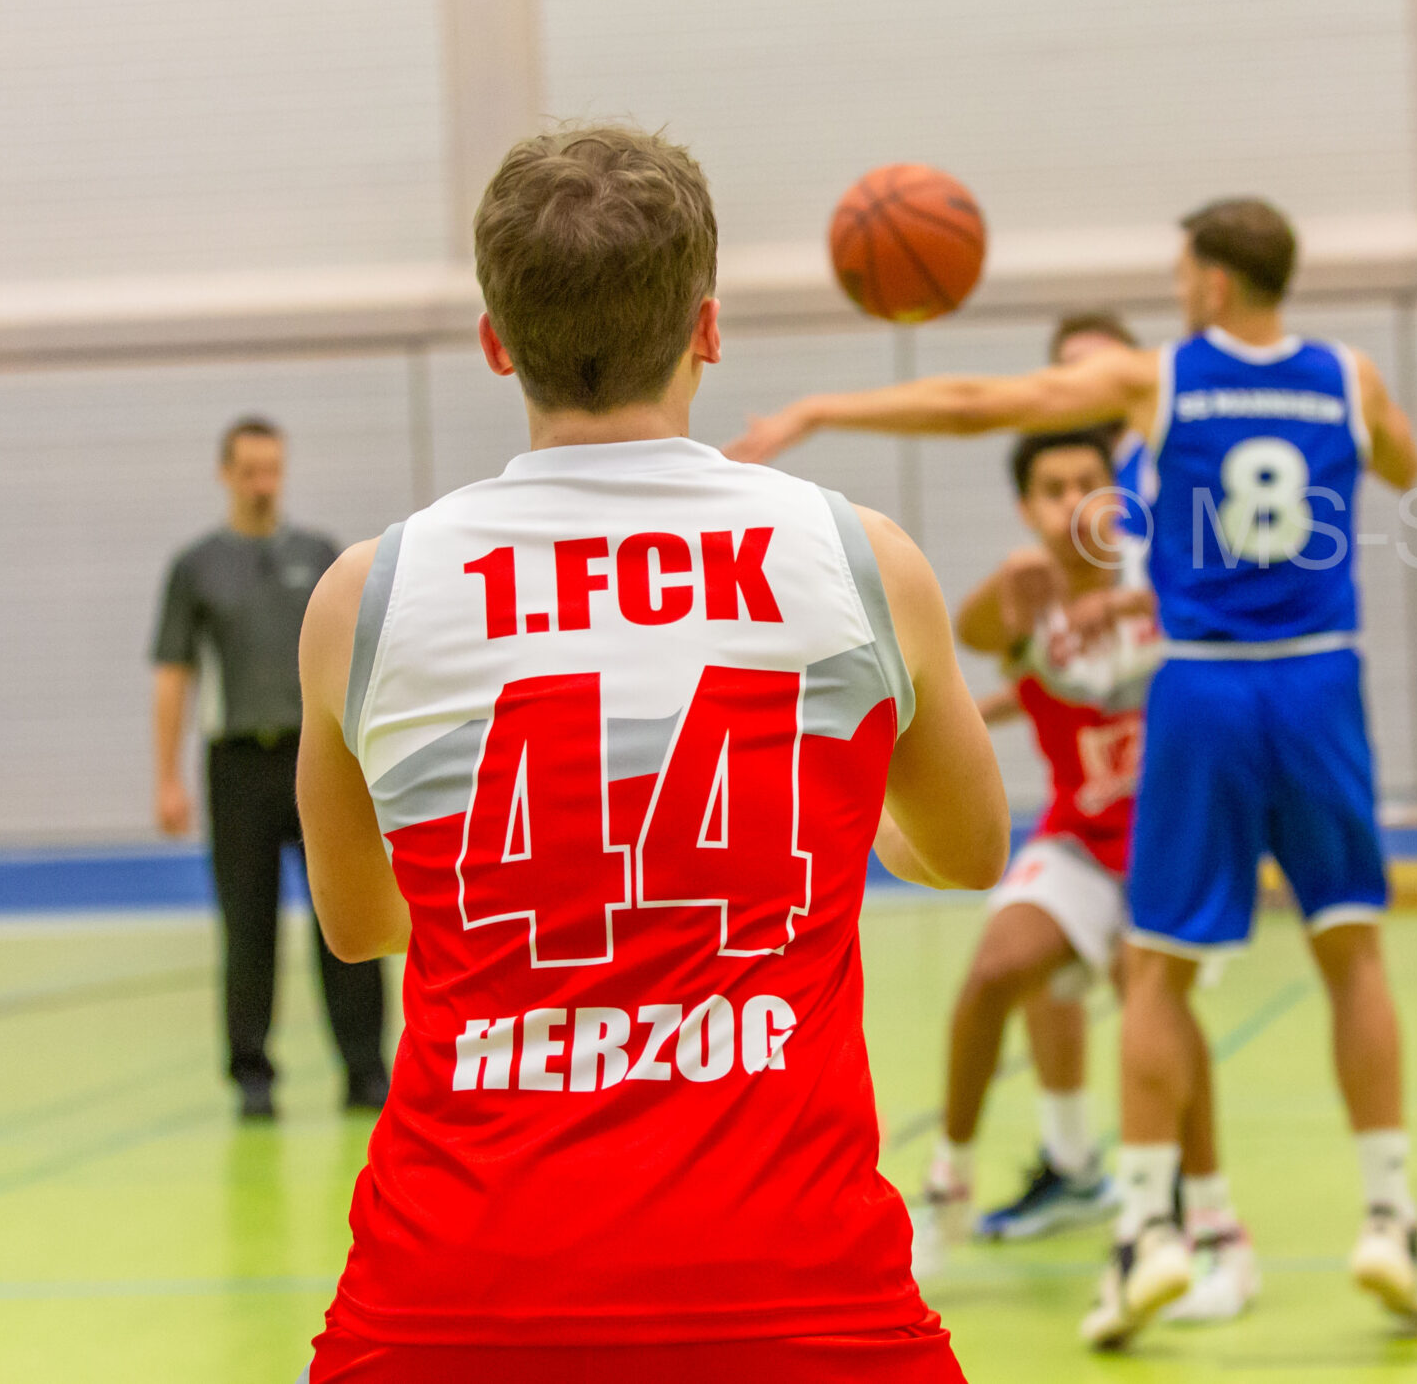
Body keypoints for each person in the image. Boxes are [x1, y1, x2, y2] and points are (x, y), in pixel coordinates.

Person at [292, 124, 1011, 1383]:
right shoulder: (857, 560)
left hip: (457, 1296)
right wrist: (836, 830)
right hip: (799, 1295)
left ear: (496, 341)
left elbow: (362, 925)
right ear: (709, 327)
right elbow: (968, 850)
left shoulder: (369, 593)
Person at [730, 196, 1417, 1346]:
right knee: (1348, 953)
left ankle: (1152, 1225)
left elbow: (975, 406)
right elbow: (1402, 464)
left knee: (1154, 974)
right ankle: (1390, 1218)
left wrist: (818, 408)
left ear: (1210, 283)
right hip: (1317, 681)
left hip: (1203, 686)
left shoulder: (1163, 385)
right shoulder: (1345, 377)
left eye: (1180, 273)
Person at [917, 426, 1255, 1325]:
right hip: (1078, 838)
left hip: (1169, 840)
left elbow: (1234, 610)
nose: (1073, 501)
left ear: (1118, 490)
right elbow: (973, 629)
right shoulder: (1026, 595)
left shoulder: (1168, 571)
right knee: (993, 973)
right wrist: (1009, 596)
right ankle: (947, 1179)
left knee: (1155, 1004)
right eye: (1052, 488)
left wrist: (1138, 597)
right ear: (1028, 507)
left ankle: (1218, 1228)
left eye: (1088, 482)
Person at [153, 418, 386, 1122]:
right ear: (225, 472)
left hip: (317, 754)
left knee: (345, 911)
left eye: (272, 469)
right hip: (238, 765)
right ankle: (252, 1074)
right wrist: (168, 777)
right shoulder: (196, 567)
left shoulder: (317, 553)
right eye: (250, 470)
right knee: (247, 924)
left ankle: (365, 1066)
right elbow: (174, 673)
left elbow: (356, 655)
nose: (262, 483)